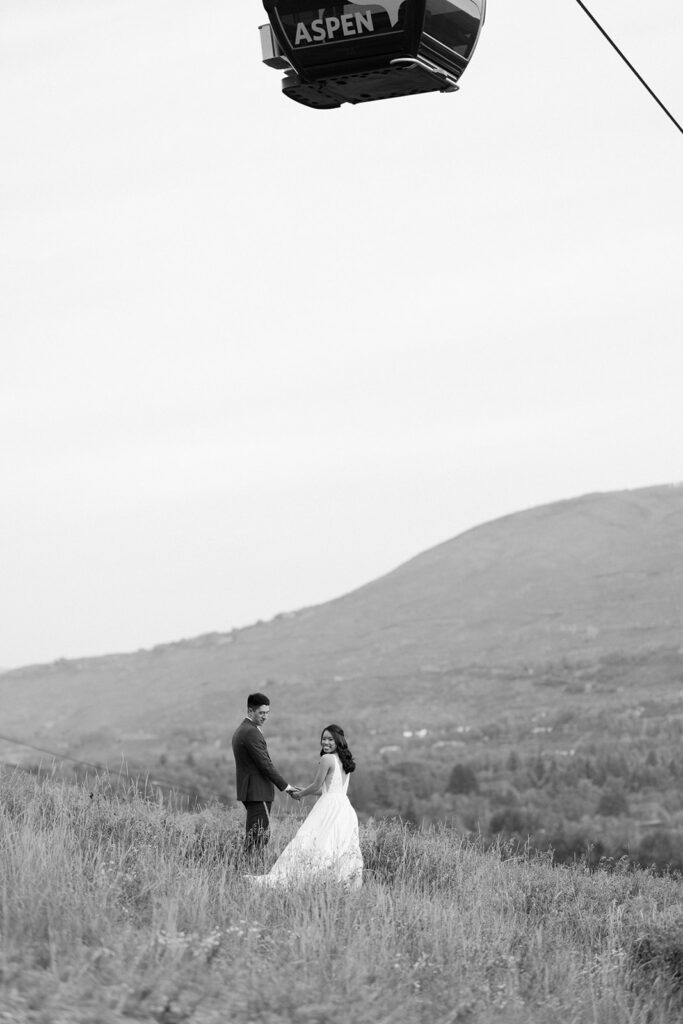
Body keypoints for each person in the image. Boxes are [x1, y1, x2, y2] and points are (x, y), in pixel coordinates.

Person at [247, 723, 363, 888]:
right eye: (324, 739)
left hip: (328, 809)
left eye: (330, 739)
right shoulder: (345, 761)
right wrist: (304, 789)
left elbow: (317, 786)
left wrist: (299, 794)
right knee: (338, 845)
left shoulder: (327, 759)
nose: (326, 743)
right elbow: (327, 789)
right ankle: (337, 882)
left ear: (338, 741)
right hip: (344, 808)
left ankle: (300, 878)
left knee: (311, 840)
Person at [231, 692, 298, 854]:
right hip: (258, 792)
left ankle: (249, 870)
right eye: (261, 713)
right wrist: (287, 787)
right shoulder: (251, 732)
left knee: (257, 836)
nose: (265, 716)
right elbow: (265, 765)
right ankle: (248, 872)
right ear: (250, 711)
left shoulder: (243, 730)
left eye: (267, 713)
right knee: (258, 838)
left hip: (252, 792)